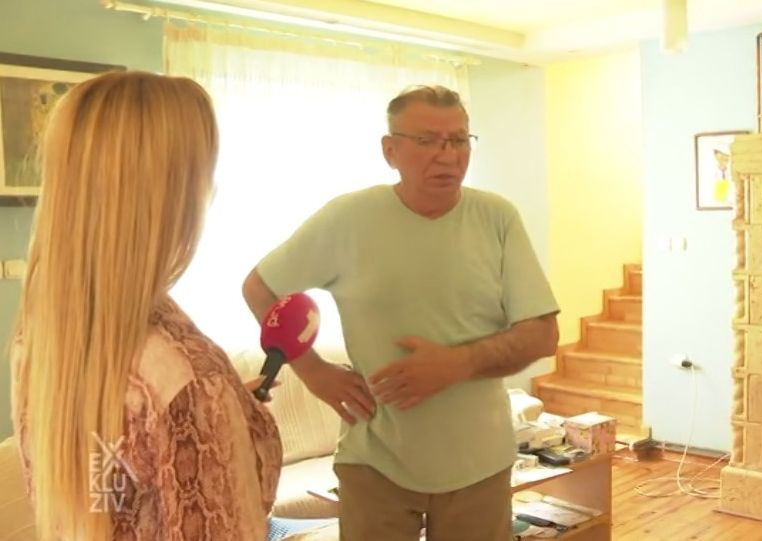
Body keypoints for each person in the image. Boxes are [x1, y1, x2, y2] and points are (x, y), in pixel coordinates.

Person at [242, 85, 560, 541]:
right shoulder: (348, 218)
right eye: (427, 141)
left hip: (479, 464)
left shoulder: (497, 217)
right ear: (390, 150)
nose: (448, 156)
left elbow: (543, 334)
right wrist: (313, 372)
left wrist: (458, 363)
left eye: (459, 140)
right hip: (376, 465)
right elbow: (260, 288)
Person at [10, 71, 289, 540]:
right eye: (206, 174)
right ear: (174, 196)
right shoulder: (185, 377)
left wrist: (197, 422)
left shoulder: (38, 338)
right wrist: (200, 411)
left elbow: (109, 493)